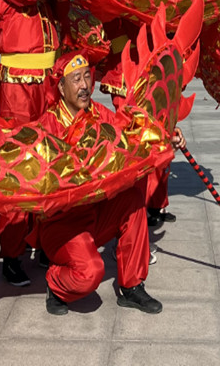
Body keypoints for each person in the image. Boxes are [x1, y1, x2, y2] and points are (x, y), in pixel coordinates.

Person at [34, 51, 184, 316]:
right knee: (90, 274)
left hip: (96, 213)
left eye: (87, 78)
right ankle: (55, 282)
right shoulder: (46, 127)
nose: (84, 86)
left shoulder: (99, 114)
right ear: (60, 86)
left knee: (133, 201)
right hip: (62, 224)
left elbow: (132, 134)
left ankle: (132, 286)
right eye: (76, 79)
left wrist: (165, 137)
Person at [0, 0, 60, 286]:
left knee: (49, 162)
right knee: (18, 166)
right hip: (17, 84)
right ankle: (12, 254)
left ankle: (46, 240)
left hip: (48, 81)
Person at [101, 0, 174, 229]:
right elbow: (108, 27)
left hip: (152, 72)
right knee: (138, 144)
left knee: (162, 138)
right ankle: (136, 214)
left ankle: (155, 204)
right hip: (125, 75)